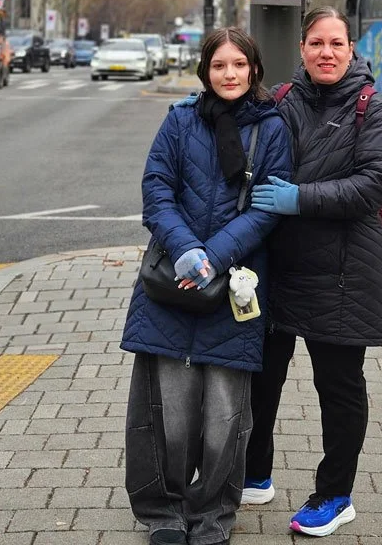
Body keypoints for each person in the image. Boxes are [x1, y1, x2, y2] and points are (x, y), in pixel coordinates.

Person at [121, 27, 291, 545]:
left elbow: (267, 208)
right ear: (205, 71)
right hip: (172, 278)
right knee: (165, 407)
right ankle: (162, 512)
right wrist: (185, 248)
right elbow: (157, 190)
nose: (230, 74)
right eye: (219, 65)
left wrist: (214, 256)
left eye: (239, 64)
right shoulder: (178, 121)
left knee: (225, 412)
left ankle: (214, 513)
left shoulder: (272, 129)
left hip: (235, 286)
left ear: (254, 69)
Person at [242, 6, 382, 538]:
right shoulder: (282, 101)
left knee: (337, 389)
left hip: (343, 275)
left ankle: (336, 494)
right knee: (259, 381)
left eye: (337, 43)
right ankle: (253, 475)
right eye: (316, 43)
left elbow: (378, 181)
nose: (327, 53)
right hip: (279, 270)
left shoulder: (371, 108)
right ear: (303, 49)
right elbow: (241, 142)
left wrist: (301, 199)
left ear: (351, 48)